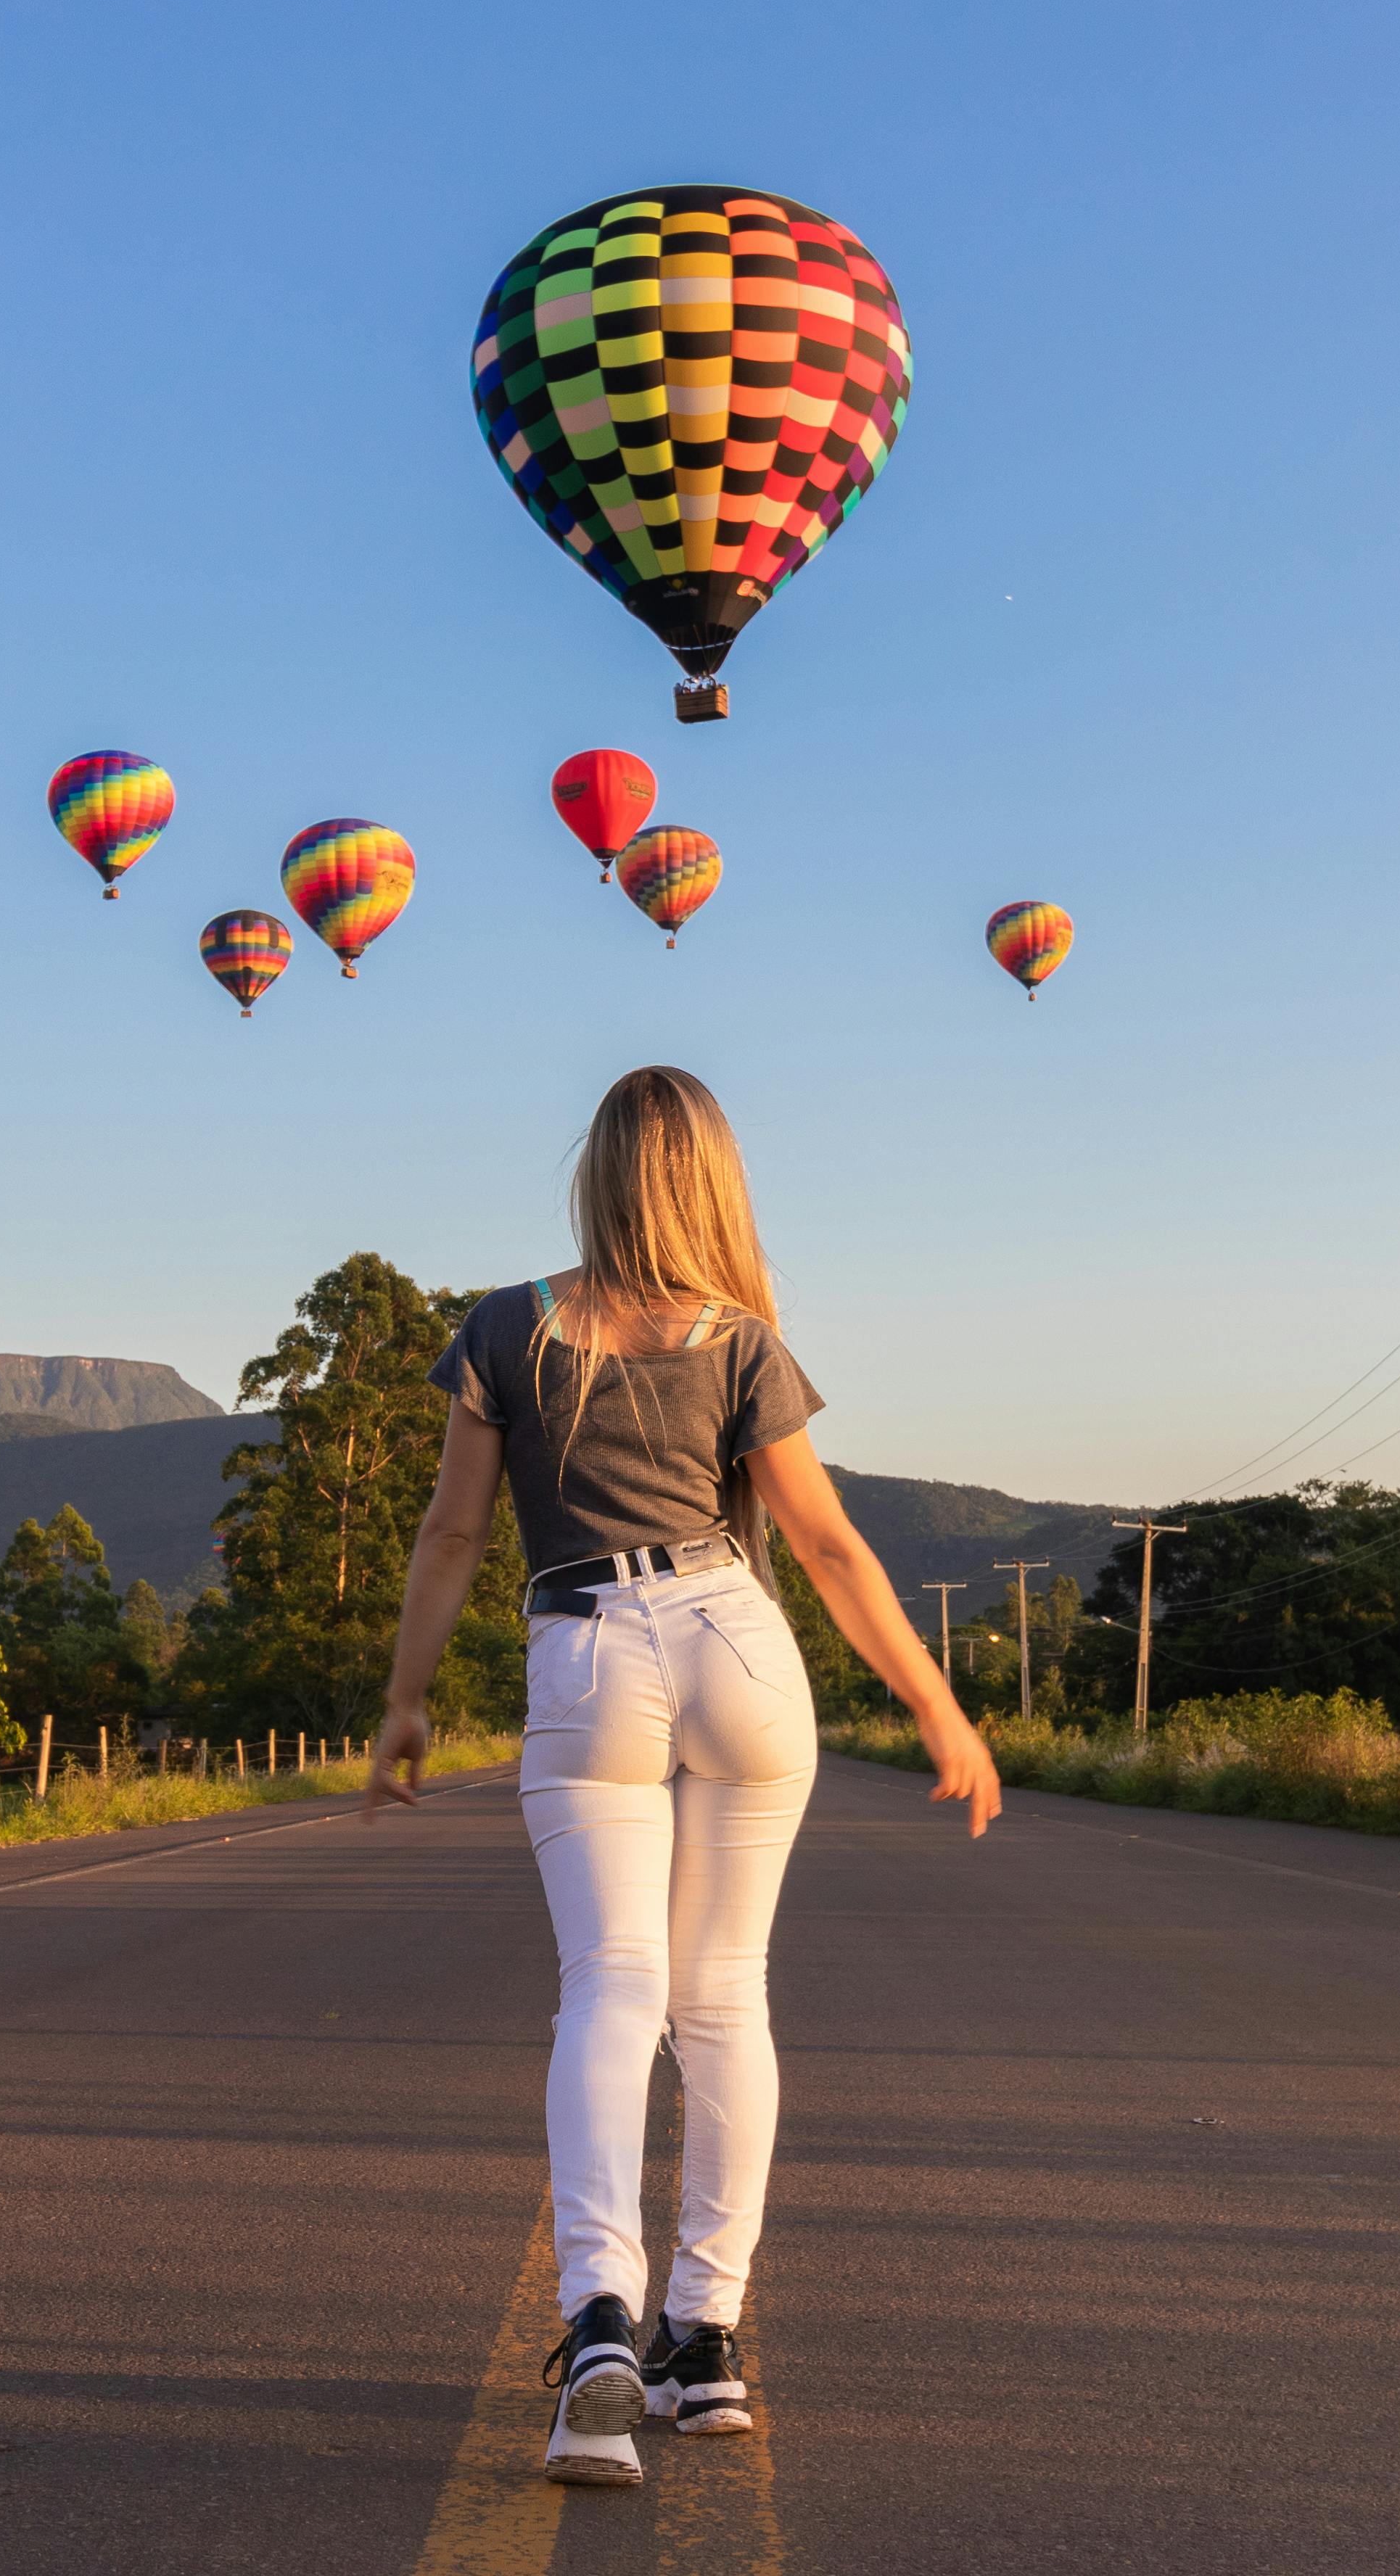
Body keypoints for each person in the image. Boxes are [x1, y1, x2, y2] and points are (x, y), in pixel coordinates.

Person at [366, 1065, 999, 2489]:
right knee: (727, 1997)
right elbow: (829, 1546)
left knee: (613, 1987)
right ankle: (703, 2341)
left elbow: (453, 1537)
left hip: (586, 1643)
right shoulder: (742, 1338)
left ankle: (600, 2319)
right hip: (737, 1640)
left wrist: (407, 1699)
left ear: (592, 1174)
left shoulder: (506, 1327)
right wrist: (938, 1704)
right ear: (714, 1180)